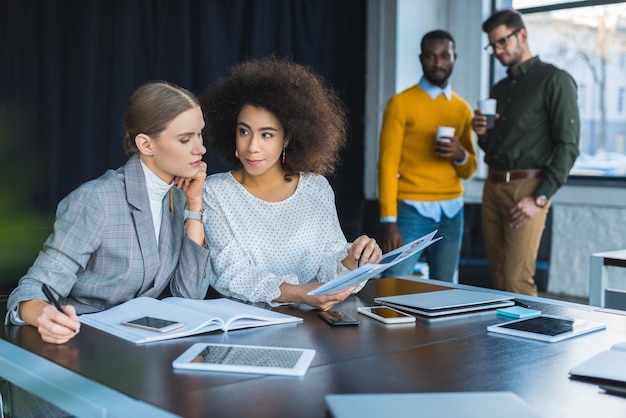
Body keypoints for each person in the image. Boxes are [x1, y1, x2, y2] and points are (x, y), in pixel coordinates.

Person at [5, 81, 211, 344]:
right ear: (146, 145)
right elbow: (32, 290)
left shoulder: (179, 196)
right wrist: (45, 315)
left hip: (139, 347)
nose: (200, 149)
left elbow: (188, 297)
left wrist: (195, 206)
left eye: (199, 134)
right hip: (82, 343)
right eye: (185, 139)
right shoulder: (97, 200)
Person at [200, 57, 382, 311]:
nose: (252, 146)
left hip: (315, 327)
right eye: (244, 131)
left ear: (287, 138)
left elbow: (330, 265)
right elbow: (231, 274)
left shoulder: (316, 188)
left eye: (266, 134)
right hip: (245, 329)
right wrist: (299, 294)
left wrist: (355, 259)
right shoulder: (214, 192)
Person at [472, 9, 580, 296]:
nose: (497, 50)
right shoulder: (500, 88)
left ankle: (533, 340)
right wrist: (483, 134)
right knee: (498, 281)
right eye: (492, 45)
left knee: (516, 281)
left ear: (522, 34)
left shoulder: (554, 80)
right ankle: (502, 342)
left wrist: (539, 198)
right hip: (492, 186)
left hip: (528, 189)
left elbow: (568, 146)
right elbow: (492, 148)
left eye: (502, 42)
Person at [378, 30, 477, 282]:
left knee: (445, 286)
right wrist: (388, 219)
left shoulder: (462, 109)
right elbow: (387, 165)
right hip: (411, 209)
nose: (438, 63)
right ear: (422, 59)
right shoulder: (400, 103)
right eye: (431, 56)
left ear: (455, 57)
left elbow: (469, 169)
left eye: (445, 55)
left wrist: (460, 155)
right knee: (393, 281)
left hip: (453, 210)